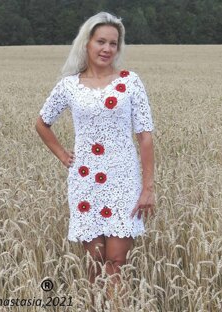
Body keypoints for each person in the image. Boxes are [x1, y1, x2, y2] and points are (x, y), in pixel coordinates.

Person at [35, 11, 155, 306]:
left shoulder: (130, 82)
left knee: (116, 260)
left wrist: (148, 187)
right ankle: (93, 304)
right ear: (86, 43)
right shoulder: (69, 85)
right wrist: (64, 155)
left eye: (113, 43)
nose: (107, 49)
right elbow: (41, 123)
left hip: (124, 180)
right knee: (96, 259)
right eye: (101, 41)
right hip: (85, 180)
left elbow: (145, 136)